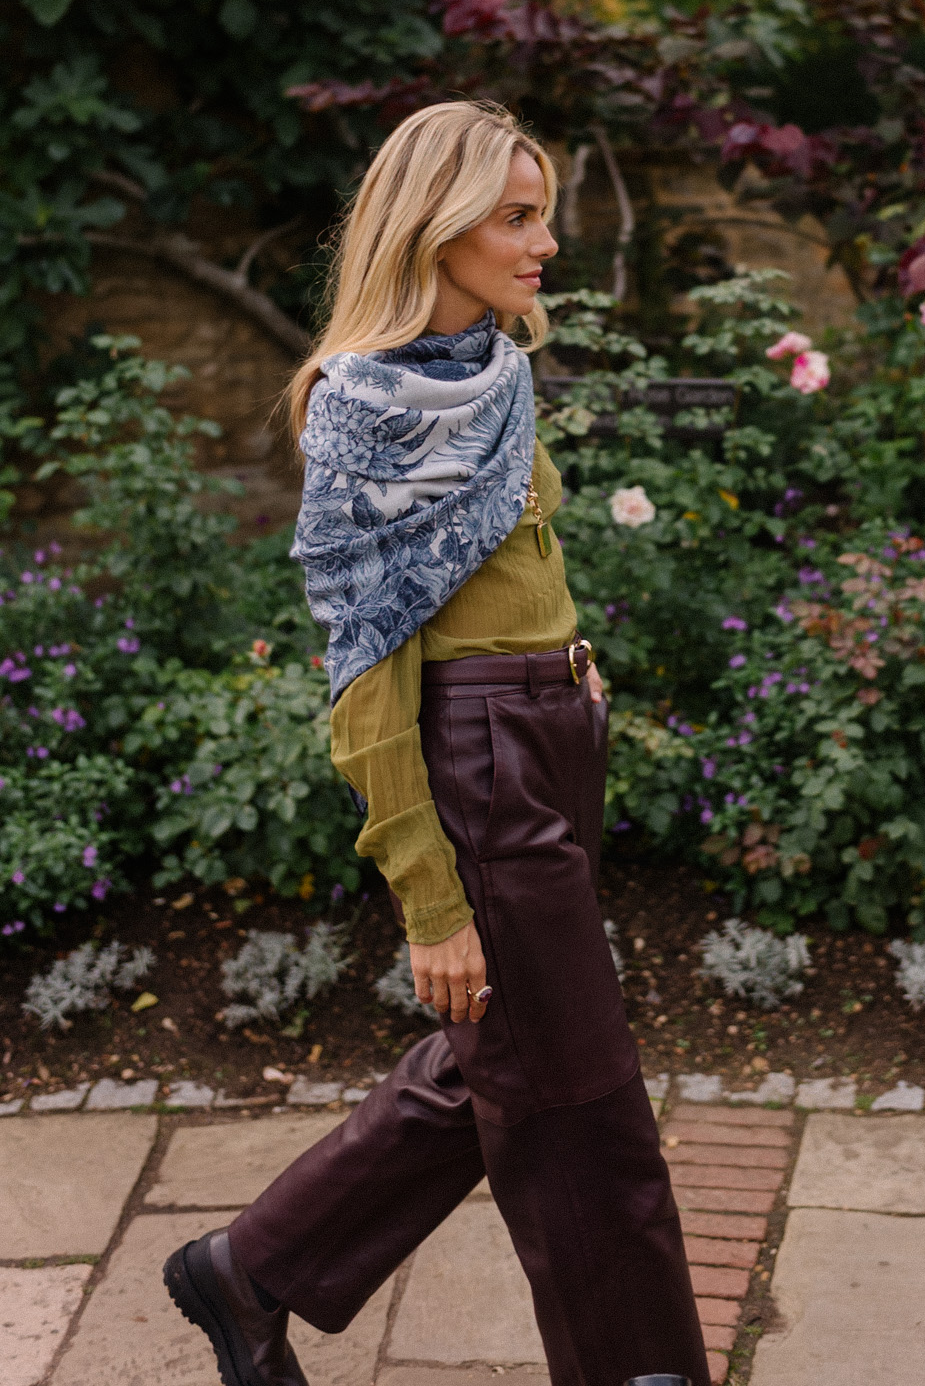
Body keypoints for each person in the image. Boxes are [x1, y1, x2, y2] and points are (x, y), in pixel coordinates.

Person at [162, 101, 709, 1386]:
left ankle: (248, 1272)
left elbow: (520, 564)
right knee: (583, 1105)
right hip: (480, 759)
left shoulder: (498, 373)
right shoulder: (363, 406)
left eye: (543, 214)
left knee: (507, 1060)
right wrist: (429, 899)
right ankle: (644, 1370)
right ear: (435, 223)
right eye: (517, 218)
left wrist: (573, 691)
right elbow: (363, 669)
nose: (545, 244)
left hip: (549, 733)